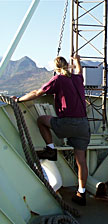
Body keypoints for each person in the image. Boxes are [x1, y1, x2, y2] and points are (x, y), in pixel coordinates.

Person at [15, 54, 90, 206]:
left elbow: (37, 93)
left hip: (67, 123)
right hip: (83, 125)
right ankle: (81, 193)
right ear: (68, 66)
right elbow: (79, 71)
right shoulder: (77, 78)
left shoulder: (57, 80)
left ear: (56, 68)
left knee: (41, 121)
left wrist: (18, 100)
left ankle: (50, 149)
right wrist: (77, 61)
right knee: (81, 161)